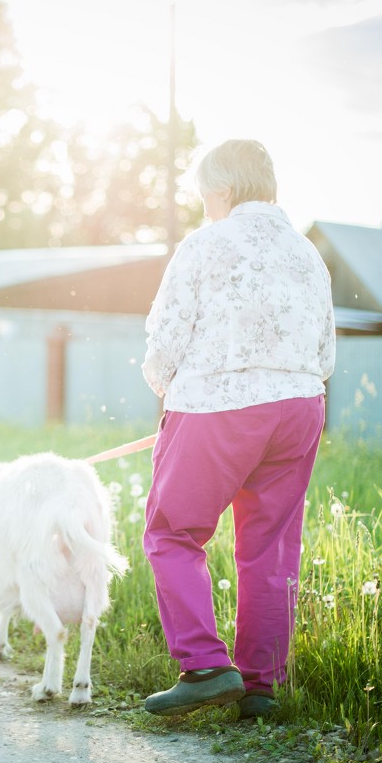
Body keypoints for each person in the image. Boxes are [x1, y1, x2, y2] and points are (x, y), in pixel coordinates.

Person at [139, 139, 335, 720]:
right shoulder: (307, 254)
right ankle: (259, 688)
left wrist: (167, 391)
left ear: (222, 191)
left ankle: (204, 666)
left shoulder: (206, 244)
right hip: (299, 406)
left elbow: (166, 339)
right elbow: (325, 352)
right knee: (272, 549)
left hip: (218, 405)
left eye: (203, 195)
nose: (203, 206)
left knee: (173, 531)